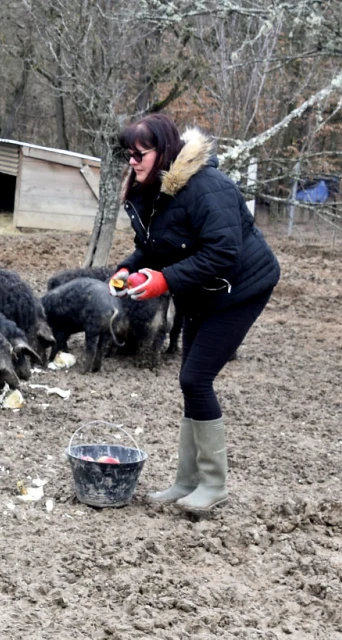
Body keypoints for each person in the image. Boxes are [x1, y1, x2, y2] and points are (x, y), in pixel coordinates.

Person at [109, 113, 280, 511]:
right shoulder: (150, 189)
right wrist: (128, 267)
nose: (132, 161)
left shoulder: (207, 186)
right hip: (201, 291)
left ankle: (214, 484)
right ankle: (187, 481)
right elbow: (155, 245)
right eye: (128, 154)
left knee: (195, 378)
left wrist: (165, 281)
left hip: (241, 289)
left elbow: (223, 252)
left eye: (140, 153)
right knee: (191, 381)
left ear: (164, 149)